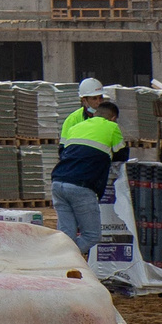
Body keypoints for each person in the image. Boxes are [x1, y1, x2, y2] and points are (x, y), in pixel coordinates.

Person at [50, 92, 128, 263]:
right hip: (81, 186)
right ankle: (63, 260)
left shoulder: (76, 127)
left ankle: (62, 265)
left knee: (66, 236)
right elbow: (122, 154)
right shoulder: (112, 127)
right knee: (92, 235)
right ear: (113, 118)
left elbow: (63, 151)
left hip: (58, 182)